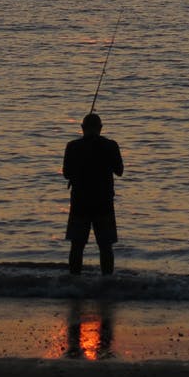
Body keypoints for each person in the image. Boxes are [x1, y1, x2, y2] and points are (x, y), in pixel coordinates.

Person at [63, 112, 124, 276]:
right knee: (105, 246)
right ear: (101, 128)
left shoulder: (73, 146)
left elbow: (66, 173)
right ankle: (107, 283)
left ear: (82, 128)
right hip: (103, 203)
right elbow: (119, 171)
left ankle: (74, 282)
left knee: (77, 245)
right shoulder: (111, 145)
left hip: (79, 203)